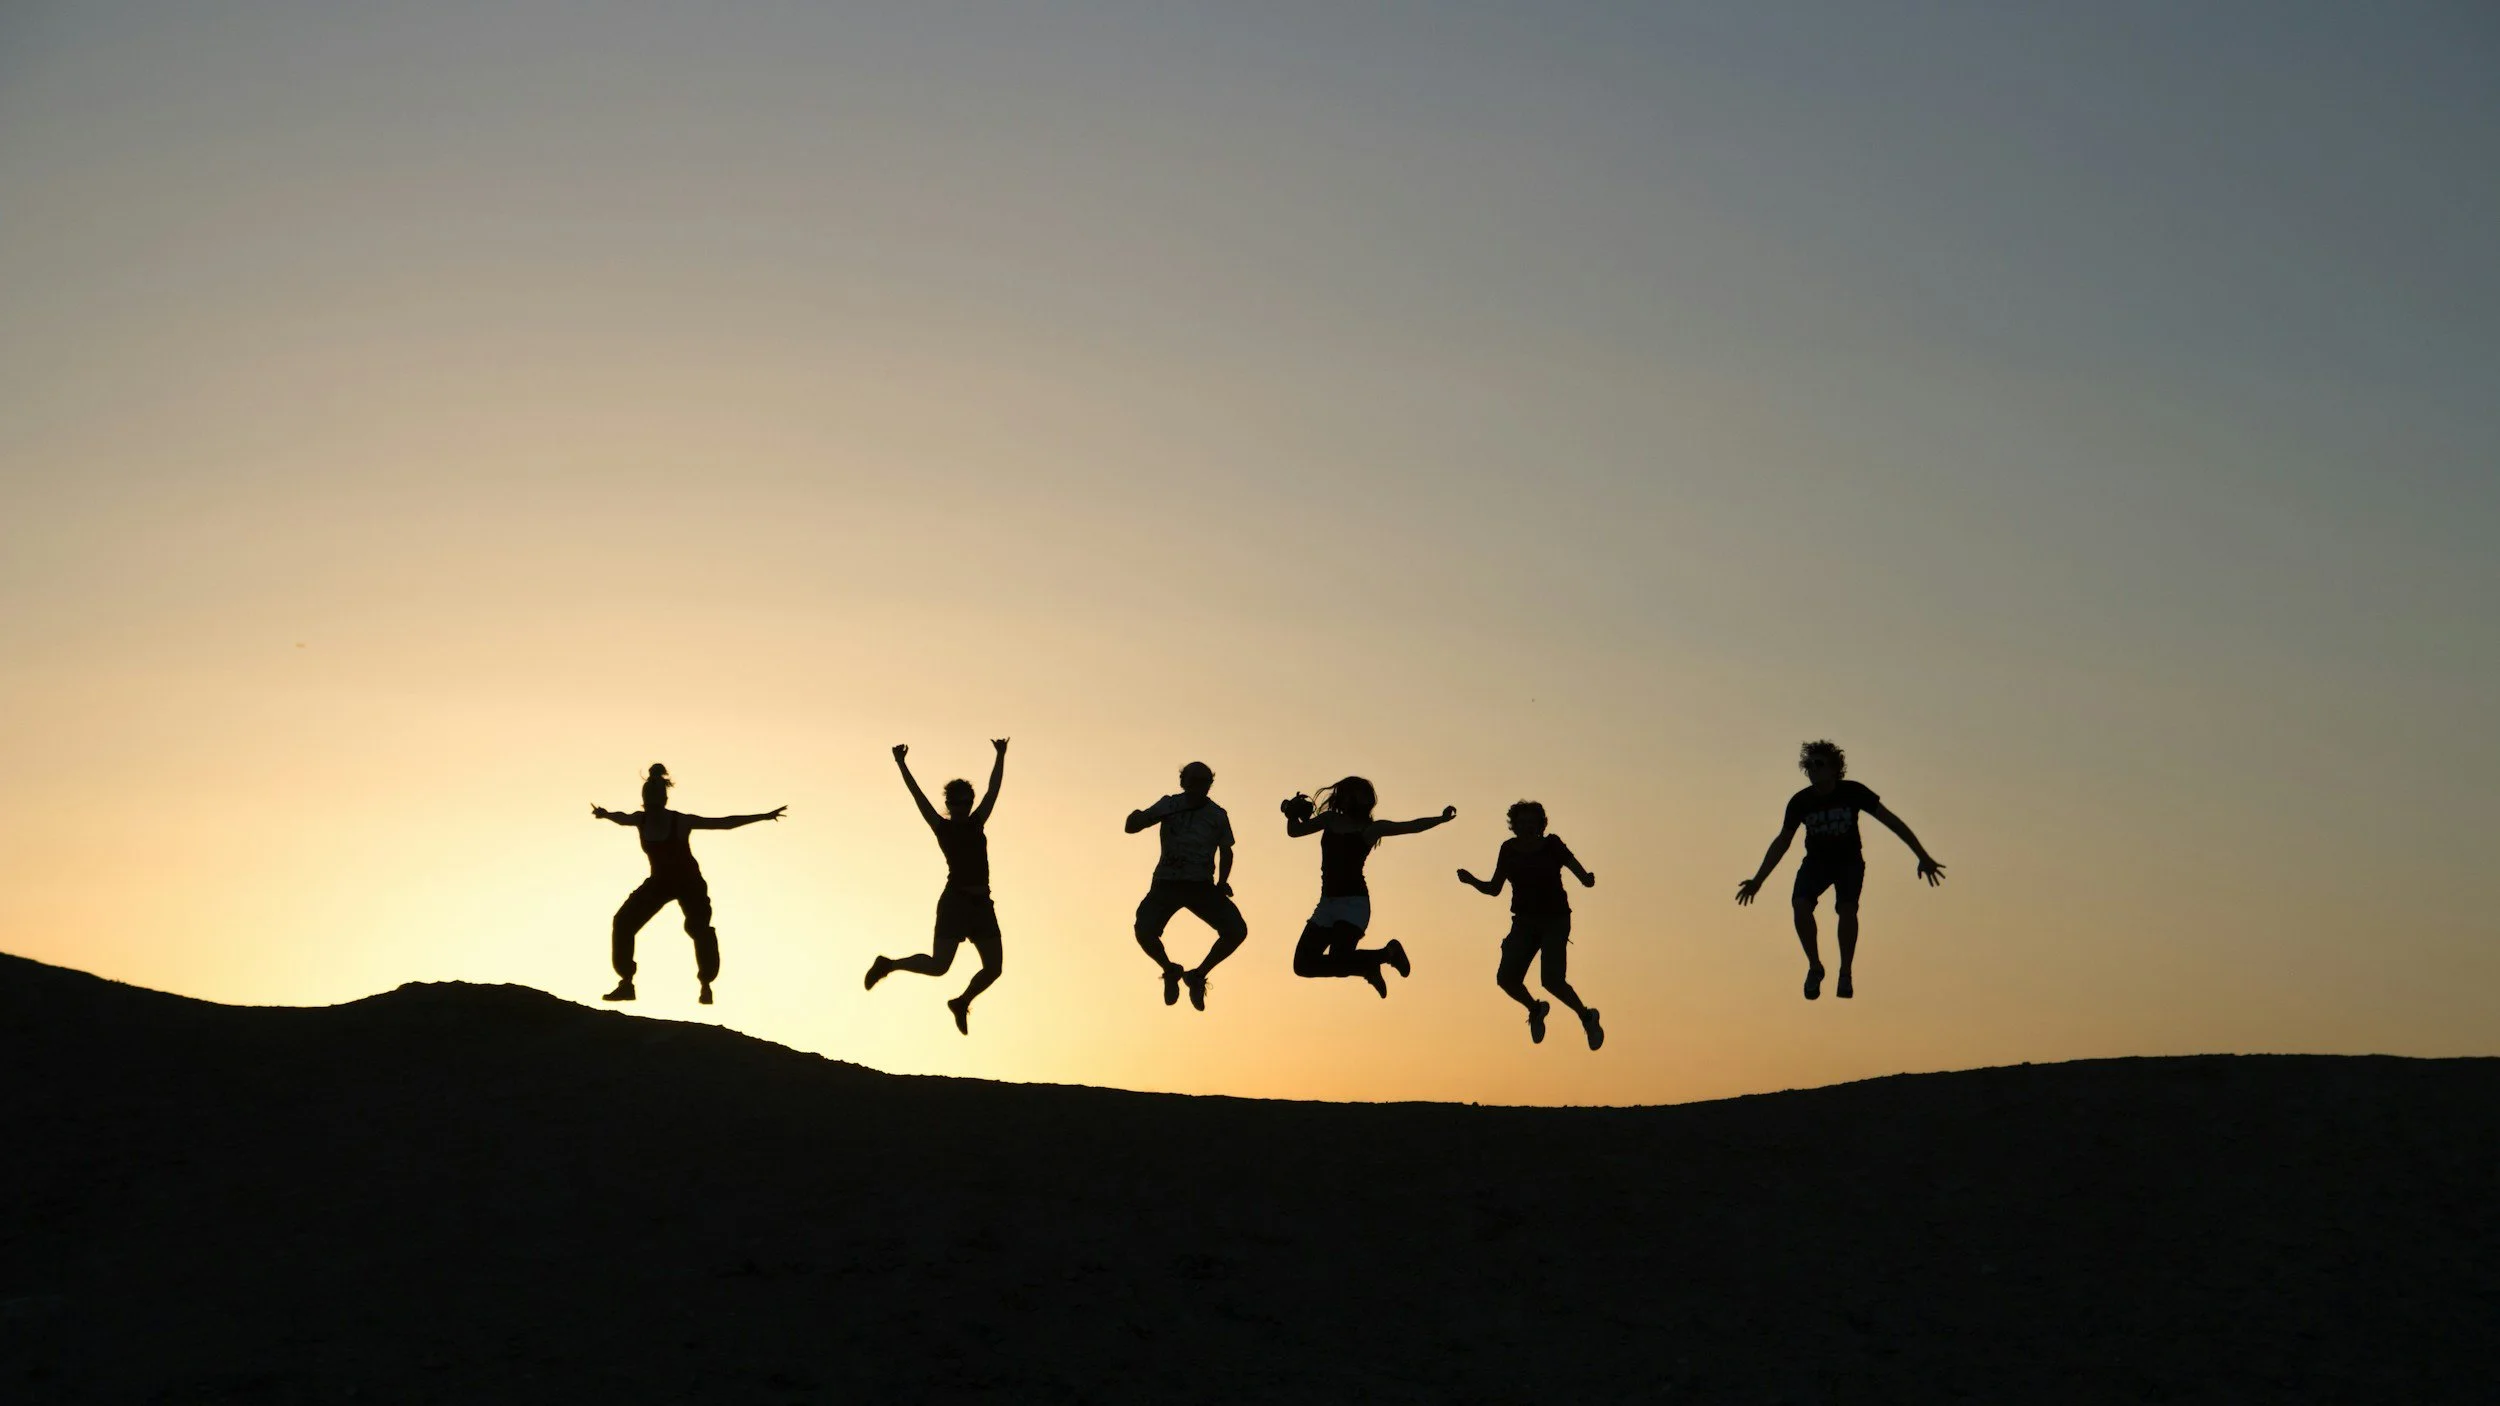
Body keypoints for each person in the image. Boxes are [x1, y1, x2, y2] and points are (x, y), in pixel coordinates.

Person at [1735, 739, 1944, 1000]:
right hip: (1816, 864)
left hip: (1848, 863)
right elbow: (1783, 841)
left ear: (1834, 769)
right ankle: (1815, 966)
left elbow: (1892, 821)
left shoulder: (1853, 792)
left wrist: (1922, 855)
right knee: (1800, 904)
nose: (1813, 770)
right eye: (1809, 765)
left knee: (1847, 909)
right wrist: (1758, 880)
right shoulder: (1800, 802)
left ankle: (1845, 972)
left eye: (1819, 764)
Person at [591, 764, 785, 1005]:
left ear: (662, 797)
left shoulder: (679, 821)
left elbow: (724, 823)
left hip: (689, 883)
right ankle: (626, 984)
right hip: (660, 882)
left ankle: (706, 984)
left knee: (698, 928)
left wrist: (763, 816)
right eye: (647, 794)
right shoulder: (640, 820)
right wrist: (604, 814)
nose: (649, 798)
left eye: (654, 794)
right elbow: (619, 818)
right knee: (623, 922)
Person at [867, 739, 1008, 1034]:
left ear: (970, 802)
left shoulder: (977, 822)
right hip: (955, 903)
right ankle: (889, 965)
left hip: (982, 905)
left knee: (994, 968)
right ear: (948, 805)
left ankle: (961, 1002)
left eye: (965, 801)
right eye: (955, 802)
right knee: (939, 965)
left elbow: (993, 791)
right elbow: (917, 796)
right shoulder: (941, 827)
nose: (961, 806)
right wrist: (902, 764)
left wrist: (1000, 756)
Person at [1282, 777, 1454, 997]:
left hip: (1354, 905)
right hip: (1327, 904)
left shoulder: (1371, 829)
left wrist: (1440, 819)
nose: (1341, 797)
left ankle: (1381, 957)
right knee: (1303, 965)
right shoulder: (1330, 819)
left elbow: (1410, 826)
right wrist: (1290, 814)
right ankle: (1375, 961)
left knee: (1339, 958)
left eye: (1346, 794)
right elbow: (1295, 831)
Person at [1458, 801, 1602, 1049]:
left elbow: (1576, 869)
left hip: (1555, 920)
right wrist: (1471, 880)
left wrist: (1586, 879)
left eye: (1531, 822)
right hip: (1524, 922)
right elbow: (1494, 888)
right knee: (1506, 979)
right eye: (1521, 822)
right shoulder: (1508, 850)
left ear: (1540, 825)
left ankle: (1586, 1016)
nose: (1526, 827)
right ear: (1514, 825)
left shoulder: (1552, 845)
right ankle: (1535, 1009)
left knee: (1552, 980)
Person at [1125, 762, 1249, 1011]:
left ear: (1209, 785)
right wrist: (1137, 817)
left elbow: (1226, 849)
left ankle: (1197, 976)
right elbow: (1131, 826)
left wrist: (1223, 881)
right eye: (1194, 780)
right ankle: (1170, 970)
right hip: (1166, 884)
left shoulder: (1217, 815)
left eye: (1205, 781)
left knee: (1236, 931)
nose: (1199, 786)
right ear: (1184, 782)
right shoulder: (1169, 805)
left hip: (1201, 887)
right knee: (1144, 930)